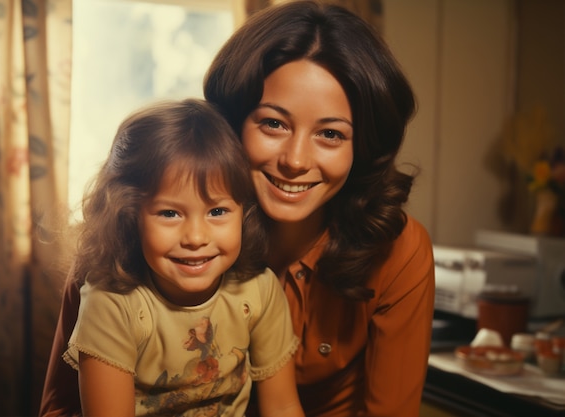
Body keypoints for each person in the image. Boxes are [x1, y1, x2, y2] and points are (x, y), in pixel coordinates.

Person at [39, 2, 435, 416]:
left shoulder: (399, 252)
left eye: (331, 133)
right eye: (273, 124)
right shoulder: (123, 241)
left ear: (362, 147)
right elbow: (59, 408)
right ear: (231, 123)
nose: (296, 160)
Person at [58, 98, 304, 417]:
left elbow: (283, 407)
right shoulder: (113, 303)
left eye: (217, 211)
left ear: (244, 211)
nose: (196, 238)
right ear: (130, 215)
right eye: (170, 213)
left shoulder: (260, 290)